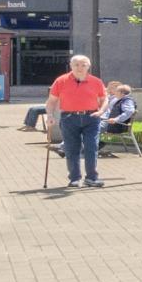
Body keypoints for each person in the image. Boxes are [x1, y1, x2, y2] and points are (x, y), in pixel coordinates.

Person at [47, 55, 107, 188]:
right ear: (71, 66)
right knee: (71, 149)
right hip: (69, 118)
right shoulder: (61, 80)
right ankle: (74, 178)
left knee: (91, 147)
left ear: (88, 66)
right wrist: (50, 115)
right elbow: (51, 101)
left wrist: (101, 111)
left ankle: (91, 178)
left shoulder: (96, 81)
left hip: (91, 117)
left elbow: (104, 99)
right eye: (76, 65)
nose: (80, 68)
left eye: (83, 65)